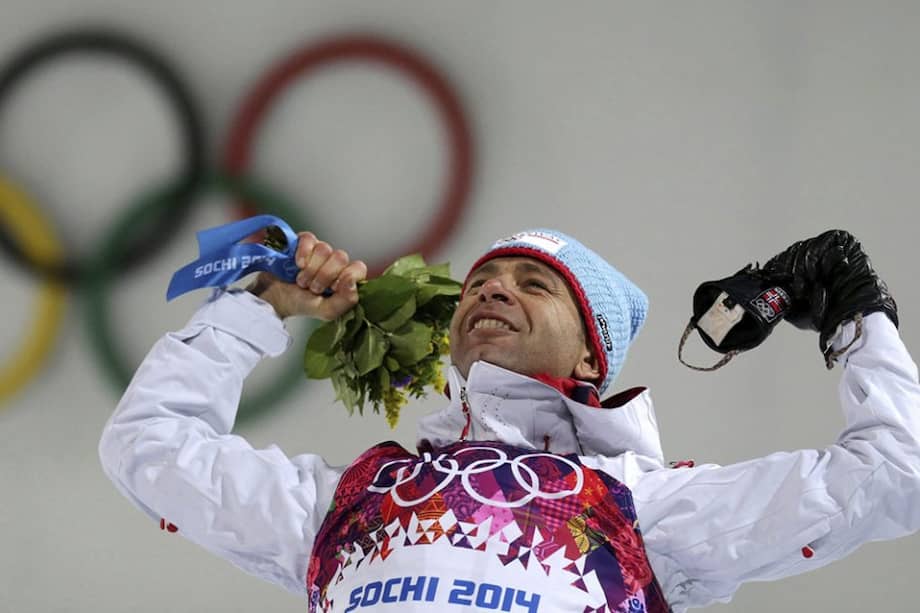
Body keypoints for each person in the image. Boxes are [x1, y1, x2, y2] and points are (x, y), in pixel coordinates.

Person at [99, 228, 920, 612]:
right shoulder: (354, 497)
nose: (492, 289)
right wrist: (258, 308)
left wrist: (861, 323)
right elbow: (151, 447)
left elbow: (897, 473)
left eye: (535, 282)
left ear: (594, 355)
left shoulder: (644, 506)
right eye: (484, 279)